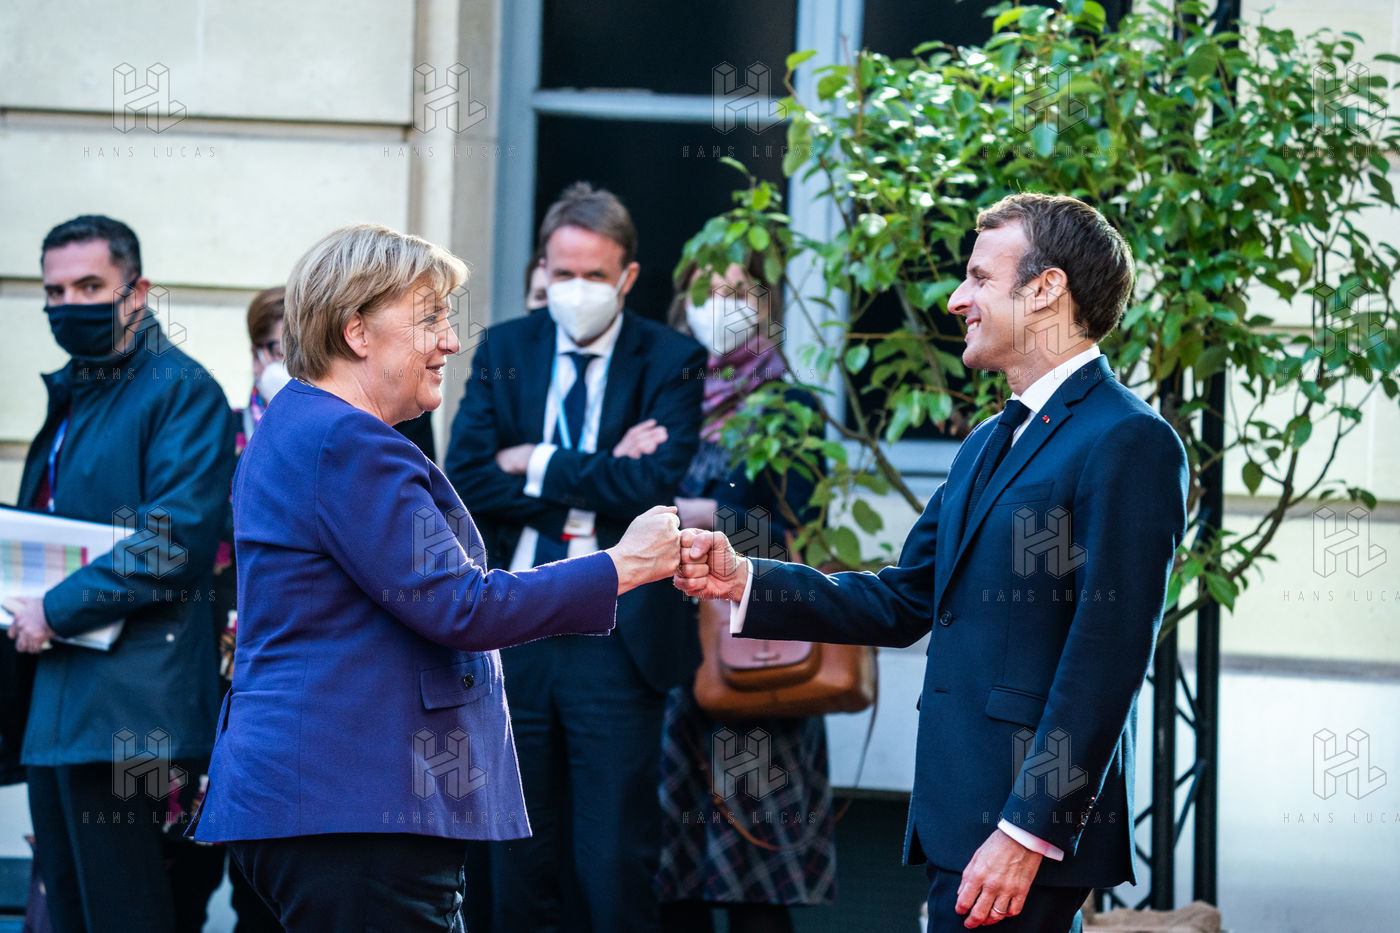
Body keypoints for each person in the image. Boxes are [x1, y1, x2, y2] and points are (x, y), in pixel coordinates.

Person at [675, 193, 1189, 933]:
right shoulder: (986, 441)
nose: (956, 299)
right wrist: (747, 579)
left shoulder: (1130, 439)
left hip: (1020, 833)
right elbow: (902, 599)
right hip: (959, 819)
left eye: (979, 278)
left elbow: (1106, 660)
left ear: (1046, 289)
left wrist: (1028, 831)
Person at [188, 223, 682, 932]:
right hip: (355, 806)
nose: (450, 340)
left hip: (328, 804)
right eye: (431, 318)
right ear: (357, 331)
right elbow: (463, 606)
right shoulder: (348, 441)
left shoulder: (303, 423)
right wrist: (623, 564)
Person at [445, 182, 706, 932]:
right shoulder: (505, 348)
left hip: (620, 638)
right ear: (543, 268)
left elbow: (653, 486)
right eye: (563, 272)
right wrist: (602, 469)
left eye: (595, 274)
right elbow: (467, 479)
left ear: (628, 276)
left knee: (612, 856)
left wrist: (533, 459)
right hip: (515, 624)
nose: (577, 288)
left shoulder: (673, 358)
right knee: (513, 851)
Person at [5, 214, 236, 933]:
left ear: (136, 292)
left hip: (135, 713)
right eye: (54, 291)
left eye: (89, 286)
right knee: (70, 911)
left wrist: (54, 608)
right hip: (60, 701)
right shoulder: (79, 393)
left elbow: (172, 542)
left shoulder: (181, 390)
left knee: (127, 912)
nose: (68, 304)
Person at [657, 258, 835, 933]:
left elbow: (797, 528)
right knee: (671, 867)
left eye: (736, 291)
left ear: (765, 304)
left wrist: (708, 512)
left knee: (756, 873)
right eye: (705, 291)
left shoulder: (789, 406)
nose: (720, 305)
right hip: (669, 655)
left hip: (755, 651)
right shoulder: (665, 393)